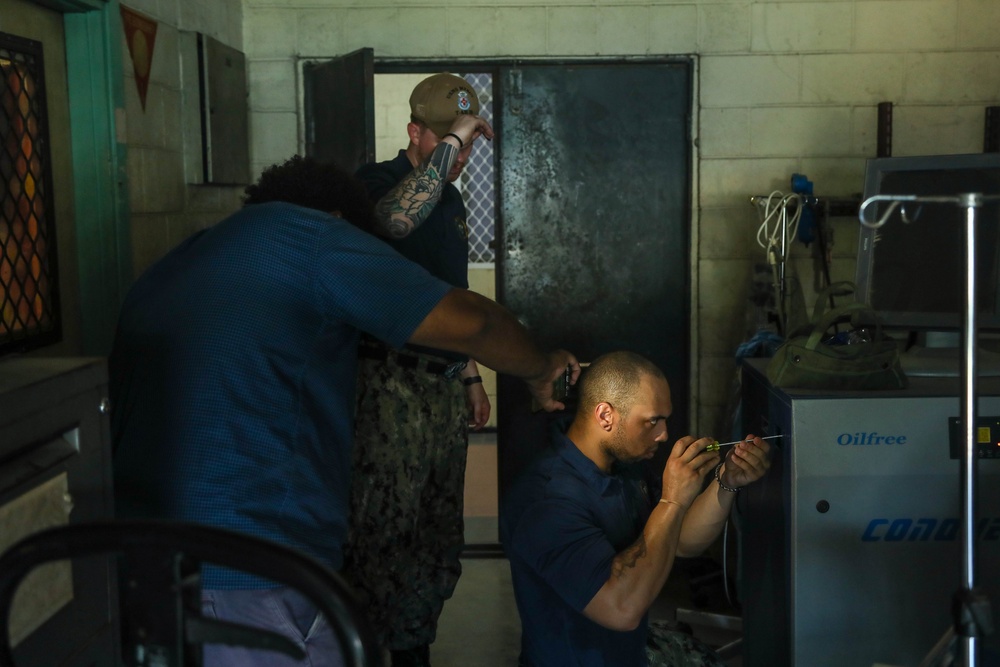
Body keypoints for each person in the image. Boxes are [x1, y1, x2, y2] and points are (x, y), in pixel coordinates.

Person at [109, 155, 580, 667]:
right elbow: (474, 323)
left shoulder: (183, 257)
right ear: (338, 219)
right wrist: (539, 369)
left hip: (138, 570)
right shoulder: (310, 238)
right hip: (252, 571)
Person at [341, 72, 494, 666]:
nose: (461, 152)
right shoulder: (375, 183)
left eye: (470, 139)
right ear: (415, 133)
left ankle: (413, 651)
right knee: (383, 536)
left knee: (436, 536)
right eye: (448, 138)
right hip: (387, 386)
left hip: (440, 388)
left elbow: (452, 299)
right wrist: (450, 146)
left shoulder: (452, 200)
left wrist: (472, 376)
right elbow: (397, 222)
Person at [500, 351, 771, 667]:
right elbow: (621, 609)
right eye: (653, 420)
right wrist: (673, 500)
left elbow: (682, 540)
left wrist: (726, 481)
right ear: (605, 416)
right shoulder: (546, 501)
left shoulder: (624, 466)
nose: (664, 434)